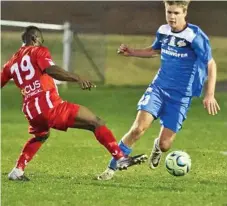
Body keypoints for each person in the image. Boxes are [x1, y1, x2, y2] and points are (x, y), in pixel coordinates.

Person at [1, 26, 147, 181]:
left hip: (31, 111)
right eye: (41, 40)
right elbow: (51, 70)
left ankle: (17, 170)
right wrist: (77, 78)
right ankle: (120, 158)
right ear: (34, 39)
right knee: (95, 122)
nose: (41, 42)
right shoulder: (38, 51)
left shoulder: (11, 63)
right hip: (49, 106)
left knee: (40, 136)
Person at [97, 0, 220, 180]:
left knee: (165, 145)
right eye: (169, 12)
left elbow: (210, 64)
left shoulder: (195, 36)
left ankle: (157, 147)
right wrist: (132, 52)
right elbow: (155, 50)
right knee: (138, 129)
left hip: (180, 97)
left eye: (176, 13)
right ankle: (110, 169)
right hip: (158, 89)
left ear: (184, 13)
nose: (172, 17)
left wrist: (209, 94)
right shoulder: (163, 31)